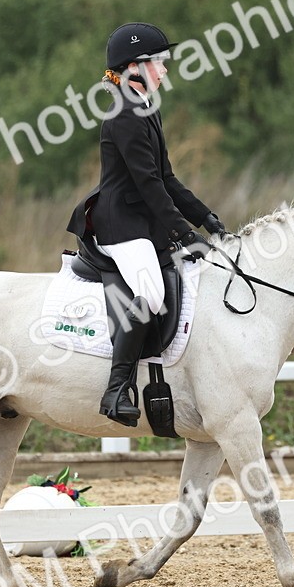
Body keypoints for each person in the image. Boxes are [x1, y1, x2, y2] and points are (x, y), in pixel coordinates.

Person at [66, 22, 227, 427]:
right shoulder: (125, 114)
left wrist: (206, 218)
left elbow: (166, 177)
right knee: (151, 294)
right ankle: (117, 389)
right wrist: (185, 235)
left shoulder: (144, 107)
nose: (166, 69)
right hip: (121, 226)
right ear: (135, 67)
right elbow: (148, 184)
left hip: (141, 222)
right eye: (160, 62)